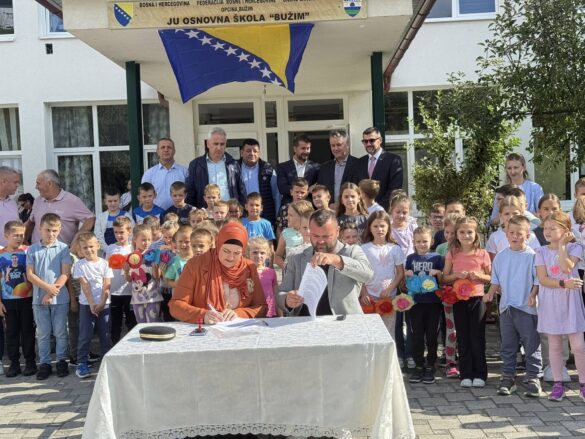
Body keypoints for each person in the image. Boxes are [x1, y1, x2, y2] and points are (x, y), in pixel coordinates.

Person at [484, 215, 542, 397]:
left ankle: (533, 377)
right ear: (506, 234)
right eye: (511, 232)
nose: (515, 236)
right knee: (508, 346)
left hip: (527, 308)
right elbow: (495, 280)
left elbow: (537, 281)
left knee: (531, 344)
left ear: (528, 235)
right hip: (506, 308)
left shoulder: (533, 256)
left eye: (519, 233)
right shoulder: (501, 257)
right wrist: (490, 293)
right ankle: (508, 377)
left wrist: (533, 295)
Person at [279, 209, 373, 316]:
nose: (320, 241)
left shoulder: (352, 251)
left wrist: (336, 260)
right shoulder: (297, 256)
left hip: (343, 322)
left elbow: (368, 275)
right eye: (315, 236)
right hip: (304, 322)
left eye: (326, 236)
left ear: (337, 231)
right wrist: (287, 300)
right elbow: (281, 294)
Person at [170, 221, 267, 323]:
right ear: (218, 244)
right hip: (205, 329)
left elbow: (261, 307)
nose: (231, 257)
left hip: (238, 329)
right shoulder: (195, 265)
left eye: (237, 253)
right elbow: (176, 306)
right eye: (226, 251)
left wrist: (239, 314)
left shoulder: (249, 267)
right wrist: (203, 315)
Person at [534, 211, 585, 401]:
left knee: (578, 346)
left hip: (571, 302)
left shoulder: (576, 247)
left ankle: (583, 384)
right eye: (545, 228)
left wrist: (562, 246)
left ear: (565, 230)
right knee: (554, 345)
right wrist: (563, 283)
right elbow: (543, 279)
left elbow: (566, 267)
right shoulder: (541, 251)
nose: (547, 232)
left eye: (552, 228)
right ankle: (558, 385)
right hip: (550, 302)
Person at [442, 216, 491, 388]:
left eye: (469, 232)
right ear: (456, 234)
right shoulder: (452, 253)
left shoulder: (482, 253)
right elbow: (444, 278)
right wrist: (456, 275)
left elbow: (491, 277)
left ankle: (480, 374)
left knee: (477, 337)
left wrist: (479, 276)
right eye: (462, 232)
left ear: (476, 233)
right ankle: (466, 374)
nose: (466, 235)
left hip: (477, 299)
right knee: (463, 337)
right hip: (459, 300)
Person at [26, 213, 73, 380]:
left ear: (59, 230)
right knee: (43, 333)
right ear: (40, 228)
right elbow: (30, 275)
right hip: (39, 299)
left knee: (61, 331)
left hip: (60, 299)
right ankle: (45, 363)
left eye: (54, 230)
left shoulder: (63, 248)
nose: (51, 234)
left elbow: (65, 273)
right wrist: (47, 290)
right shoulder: (32, 250)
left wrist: (52, 292)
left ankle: (61, 361)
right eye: (47, 230)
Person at [406, 226, 444, 385]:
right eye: (418, 241)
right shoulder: (410, 258)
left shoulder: (437, 258)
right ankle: (418, 365)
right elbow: (406, 283)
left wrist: (439, 273)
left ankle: (430, 365)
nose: (422, 244)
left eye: (425, 241)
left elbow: (442, 282)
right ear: (413, 242)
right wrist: (407, 274)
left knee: (431, 336)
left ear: (432, 241)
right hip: (415, 304)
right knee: (417, 335)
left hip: (433, 303)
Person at [72, 232, 113, 379]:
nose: (88, 250)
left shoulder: (105, 263)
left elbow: (107, 285)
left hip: (104, 305)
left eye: (91, 246)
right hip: (86, 305)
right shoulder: (79, 265)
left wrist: (101, 302)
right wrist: (91, 304)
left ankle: (106, 361)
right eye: (85, 248)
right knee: (85, 335)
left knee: (105, 334)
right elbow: (85, 285)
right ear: (80, 250)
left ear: (98, 246)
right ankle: (82, 363)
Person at [26, 169, 95, 252]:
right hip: (36, 253)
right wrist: (24, 242)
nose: (36, 187)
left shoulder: (72, 201)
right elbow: (31, 222)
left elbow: (90, 219)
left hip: (61, 254)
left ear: (49, 183)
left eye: (38, 183)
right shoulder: (38, 200)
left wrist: (77, 240)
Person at [360, 211, 405, 338]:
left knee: (388, 332)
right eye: (375, 226)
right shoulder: (363, 248)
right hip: (369, 297)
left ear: (388, 227)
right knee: (370, 332)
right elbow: (360, 274)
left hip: (388, 297)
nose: (379, 229)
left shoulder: (395, 248)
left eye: (382, 226)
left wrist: (390, 289)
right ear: (370, 228)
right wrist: (364, 292)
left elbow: (400, 273)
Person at [0, 221, 36, 377]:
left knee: (28, 331)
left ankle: (30, 362)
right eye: (15, 235)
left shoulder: (28, 251)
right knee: (11, 332)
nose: (19, 238)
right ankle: (14, 363)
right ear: (6, 236)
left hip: (27, 298)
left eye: (22, 235)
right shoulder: (1, 255)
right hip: (7, 300)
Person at [185, 127, 246, 208]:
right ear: (208, 144)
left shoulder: (233, 164)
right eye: (216, 144)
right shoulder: (196, 165)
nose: (219, 147)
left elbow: (241, 191)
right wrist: (194, 211)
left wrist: (241, 210)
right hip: (205, 212)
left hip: (229, 211)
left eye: (222, 144)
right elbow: (190, 192)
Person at [353, 127, 403, 210]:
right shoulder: (359, 163)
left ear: (380, 140)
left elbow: (394, 189)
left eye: (371, 140)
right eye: (365, 141)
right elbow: (355, 188)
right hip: (362, 211)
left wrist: (376, 208)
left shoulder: (393, 160)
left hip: (384, 211)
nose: (368, 144)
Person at [489, 153, 544, 225]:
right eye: (509, 168)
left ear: (524, 167)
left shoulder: (535, 188)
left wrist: (524, 213)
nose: (512, 172)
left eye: (516, 167)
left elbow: (542, 215)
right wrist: (505, 215)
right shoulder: (502, 190)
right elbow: (493, 220)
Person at [105, 216, 136, 345]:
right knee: (115, 323)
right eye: (116, 232)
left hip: (130, 291)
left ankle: (133, 346)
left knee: (131, 322)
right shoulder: (110, 248)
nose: (118, 235)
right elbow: (106, 269)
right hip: (114, 292)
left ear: (129, 231)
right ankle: (115, 346)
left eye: (122, 232)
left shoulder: (133, 249)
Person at [124, 224, 162, 323]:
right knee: (141, 326)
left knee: (152, 325)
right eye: (143, 240)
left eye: (149, 239)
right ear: (134, 239)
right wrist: (126, 271)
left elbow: (157, 278)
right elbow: (129, 279)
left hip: (153, 297)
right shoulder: (129, 257)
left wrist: (156, 267)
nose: (147, 242)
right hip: (137, 299)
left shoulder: (155, 254)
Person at [239, 138, 280, 223]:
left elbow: (276, 195)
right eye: (248, 151)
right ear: (242, 153)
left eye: (255, 151)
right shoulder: (234, 168)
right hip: (241, 214)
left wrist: (277, 216)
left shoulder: (268, 169)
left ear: (259, 153)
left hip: (264, 215)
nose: (252, 153)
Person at [141, 137, 188, 211]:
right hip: (156, 215)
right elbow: (143, 196)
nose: (166, 150)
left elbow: (189, 194)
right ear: (157, 151)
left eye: (169, 147)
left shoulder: (184, 172)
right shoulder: (149, 174)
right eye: (163, 147)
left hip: (180, 213)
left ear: (174, 151)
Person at [316, 130, 358, 203]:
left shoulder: (358, 164)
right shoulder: (324, 167)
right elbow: (321, 191)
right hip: (329, 208)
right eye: (333, 145)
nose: (335, 148)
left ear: (347, 145)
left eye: (339, 145)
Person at [277, 134, 320, 205]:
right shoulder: (283, 167)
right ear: (295, 149)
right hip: (289, 206)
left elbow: (318, 188)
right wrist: (307, 190)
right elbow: (283, 188)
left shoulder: (316, 167)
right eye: (303, 148)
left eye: (308, 148)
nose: (306, 151)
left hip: (309, 207)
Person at [163, 225, 194, 321]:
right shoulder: (175, 260)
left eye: (187, 241)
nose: (183, 244)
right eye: (180, 241)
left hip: (195, 301)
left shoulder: (198, 259)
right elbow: (167, 281)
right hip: (180, 301)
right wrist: (176, 284)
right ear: (176, 243)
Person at [274, 200, 313, 270]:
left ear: (301, 216)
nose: (287, 217)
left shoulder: (313, 232)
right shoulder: (286, 233)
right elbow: (277, 256)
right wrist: (285, 267)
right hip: (291, 272)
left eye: (291, 215)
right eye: (287, 214)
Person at [94, 187, 134, 253]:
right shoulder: (101, 217)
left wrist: (126, 248)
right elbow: (98, 235)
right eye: (110, 201)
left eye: (115, 201)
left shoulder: (127, 216)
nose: (113, 204)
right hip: (106, 252)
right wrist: (108, 249)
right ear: (105, 201)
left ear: (120, 200)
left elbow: (132, 233)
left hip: (125, 251)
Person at [248, 237, 278, 317]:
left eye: (262, 253)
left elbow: (275, 294)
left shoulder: (271, 272)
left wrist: (280, 313)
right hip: (252, 311)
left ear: (267, 255)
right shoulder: (245, 272)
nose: (258, 256)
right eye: (255, 252)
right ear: (248, 253)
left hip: (270, 312)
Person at [0, 166, 20, 247]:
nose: (17, 185)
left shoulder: (13, 203)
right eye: (15, 182)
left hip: (12, 252)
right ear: (3, 182)